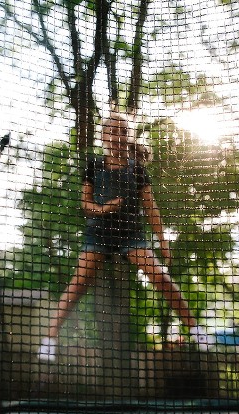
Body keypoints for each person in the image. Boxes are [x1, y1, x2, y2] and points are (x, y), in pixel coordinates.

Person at [38, 110, 213, 362]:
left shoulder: (137, 170)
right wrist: (104, 209)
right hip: (98, 234)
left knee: (160, 278)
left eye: (122, 131)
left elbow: (150, 208)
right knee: (77, 285)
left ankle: (195, 329)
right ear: (104, 137)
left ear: (128, 136)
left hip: (131, 236)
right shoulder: (94, 166)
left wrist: (163, 242)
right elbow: (85, 205)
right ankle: (50, 339)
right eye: (112, 131)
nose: (117, 135)